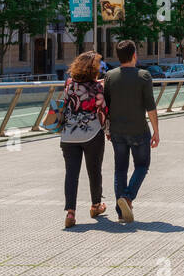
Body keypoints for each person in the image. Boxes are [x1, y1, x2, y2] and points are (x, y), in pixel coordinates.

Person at [103, 40, 159, 225]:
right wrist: (156, 131)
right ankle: (127, 198)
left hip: (117, 131)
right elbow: (150, 107)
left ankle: (121, 213)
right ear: (134, 55)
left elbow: (107, 107)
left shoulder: (110, 76)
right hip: (139, 130)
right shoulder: (144, 76)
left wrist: (107, 129)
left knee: (120, 169)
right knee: (142, 166)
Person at [60, 51, 109, 229]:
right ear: (93, 68)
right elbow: (103, 110)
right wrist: (107, 129)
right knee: (94, 171)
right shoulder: (97, 87)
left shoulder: (69, 83)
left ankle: (70, 212)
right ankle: (96, 206)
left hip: (68, 135)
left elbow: (65, 104)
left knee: (71, 174)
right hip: (91, 134)